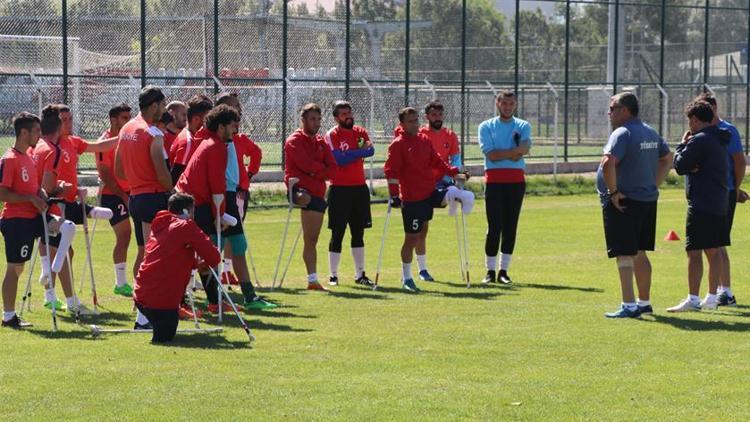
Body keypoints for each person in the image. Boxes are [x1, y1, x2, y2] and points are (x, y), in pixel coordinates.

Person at [597, 92, 673, 318]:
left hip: (625, 201)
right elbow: (668, 158)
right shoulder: (650, 131)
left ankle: (629, 305)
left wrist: (613, 192)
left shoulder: (623, 132)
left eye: (612, 108)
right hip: (646, 200)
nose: (609, 113)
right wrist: (653, 184)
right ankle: (644, 302)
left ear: (625, 110)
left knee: (624, 254)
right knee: (640, 252)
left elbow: (608, 162)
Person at [384, 107, 473, 292]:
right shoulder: (398, 144)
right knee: (411, 238)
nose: (415, 124)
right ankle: (407, 277)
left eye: (416, 120)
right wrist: (393, 194)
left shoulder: (424, 140)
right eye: (410, 121)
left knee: (446, 199)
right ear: (402, 124)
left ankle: (461, 196)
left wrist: (456, 172)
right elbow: (390, 172)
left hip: (429, 192)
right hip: (412, 198)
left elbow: (437, 162)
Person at [31, 106, 109, 314]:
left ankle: (61, 291)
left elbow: (98, 146)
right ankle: (57, 290)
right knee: (61, 246)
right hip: (52, 204)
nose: (68, 122)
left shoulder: (59, 144)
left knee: (66, 248)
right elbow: (46, 188)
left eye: (70, 118)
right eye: (63, 119)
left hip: (58, 203)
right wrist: (60, 188)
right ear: (56, 124)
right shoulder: (49, 149)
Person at [1, 112, 74, 328]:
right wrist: (30, 199)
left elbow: (35, 189)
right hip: (17, 221)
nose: (39, 135)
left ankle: (49, 270)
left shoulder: (29, 157)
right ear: (24, 133)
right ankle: (8, 316)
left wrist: (46, 192)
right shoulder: (9, 159)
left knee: (66, 228)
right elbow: (3, 193)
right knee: (15, 268)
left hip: (34, 217)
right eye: (35, 131)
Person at [175, 104, 241, 313]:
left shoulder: (212, 143)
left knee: (205, 253)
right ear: (221, 127)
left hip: (194, 203)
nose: (235, 130)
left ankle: (214, 301)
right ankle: (179, 303)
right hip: (189, 204)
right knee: (190, 255)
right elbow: (217, 185)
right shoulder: (216, 147)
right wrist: (219, 215)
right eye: (232, 126)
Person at [212, 92, 275, 309]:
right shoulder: (212, 142)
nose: (238, 115)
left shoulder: (234, 141)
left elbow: (255, 154)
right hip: (220, 198)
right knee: (213, 245)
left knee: (237, 242)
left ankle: (247, 294)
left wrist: (248, 175)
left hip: (233, 195)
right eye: (232, 111)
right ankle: (211, 296)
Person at [668, 100, 731, 312]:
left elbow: (679, 165)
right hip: (719, 200)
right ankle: (712, 297)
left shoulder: (700, 140)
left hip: (702, 202)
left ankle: (693, 300)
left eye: (690, 121)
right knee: (713, 251)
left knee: (694, 251)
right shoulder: (720, 138)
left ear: (695, 120)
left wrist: (681, 145)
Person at [133, 192, 221, 343]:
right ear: (187, 212)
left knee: (166, 327)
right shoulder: (186, 226)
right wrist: (203, 264)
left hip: (140, 296)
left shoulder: (160, 224)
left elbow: (169, 255)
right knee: (165, 337)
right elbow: (214, 256)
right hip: (161, 301)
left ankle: (143, 322)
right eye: (193, 211)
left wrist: (195, 263)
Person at [114, 85, 172, 289]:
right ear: (154, 105)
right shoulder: (152, 132)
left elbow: (119, 170)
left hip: (136, 198)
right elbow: (161, 172)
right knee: (154, 252)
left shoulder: (126, 128)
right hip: (153, 198)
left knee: (143, 250)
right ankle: (150, 301)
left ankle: (139, 299)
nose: (165, 110)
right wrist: (173, 189)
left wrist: (137, 177)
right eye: (163, 105)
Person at [694, 93, 746, 306]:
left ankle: (724, 292)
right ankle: (725, 292)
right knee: (716, 243)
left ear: (714, 108)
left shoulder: (727, 131)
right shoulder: (701, 132)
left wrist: (735, 188)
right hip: (709, 194)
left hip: (722, 194)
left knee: (716, 243)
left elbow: (739, 162)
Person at [478, 91, 530, 286]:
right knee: (494, 227)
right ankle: (490, 271)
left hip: (516, 182)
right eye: (504, 103)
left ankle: (504, 271)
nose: (507, 107)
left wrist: (506, 153)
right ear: (497, 103)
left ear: (515, 105)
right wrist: (513, 153)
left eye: (511, 103)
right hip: (494, 181)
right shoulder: (486, 126)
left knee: (510, 226)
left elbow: (523, 151)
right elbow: (491, 155)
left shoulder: (523, 125)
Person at [284, 103, 337, 291]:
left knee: (313, 238)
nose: (316, 123)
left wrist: (318, 172)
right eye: (312, 119)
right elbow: (305, 165)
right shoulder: (294, 140)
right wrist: (318, 171)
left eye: (318, 119)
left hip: (317, 190)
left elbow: (332, 168)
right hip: (300, 189)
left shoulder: (321, 142)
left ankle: (312, 280)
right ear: (303, 120)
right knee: (310, 237)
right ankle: (312, 279)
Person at [323, 100, 375, 287]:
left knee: (358, 233)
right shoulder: (332, 135)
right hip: (339, 189)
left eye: (349, 112)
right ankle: (333, 274)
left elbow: (370, 151)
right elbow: (338, 159)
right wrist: (357, 153)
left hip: (359, 189)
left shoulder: (360, 132)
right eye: (343, 114)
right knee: (337, 233)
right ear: (336, 118)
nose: (348, 116)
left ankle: (360, 274)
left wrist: (353, 153)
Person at [412, 100, 461, 282]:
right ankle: (422, 269)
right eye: (434, 115)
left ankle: (453, 199)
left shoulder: (450, 136)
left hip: (442, 183)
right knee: (422, 229)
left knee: (457, 191)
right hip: (422, 185)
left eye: (440, 115)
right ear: (427, 117)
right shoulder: (420, 134)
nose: (437, 118)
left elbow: (456, 161)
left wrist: (452, 177)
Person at [96, 103, 135, 297]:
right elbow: (105, 175)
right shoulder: (104, 142)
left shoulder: (127, 137)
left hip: (129, 193)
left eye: (129, 117)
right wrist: (123, 196)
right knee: (125, 234)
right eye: (124, 118)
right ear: (113, 119)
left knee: (134, 236)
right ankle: (120, 283)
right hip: (113, 195)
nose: (128, 120)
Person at [169, 94, 213, 184]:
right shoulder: (188, 142)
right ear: (196, 119)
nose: (211, 123)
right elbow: (175, 178)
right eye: (208, 119)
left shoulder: (192, 136)